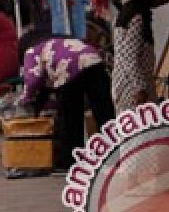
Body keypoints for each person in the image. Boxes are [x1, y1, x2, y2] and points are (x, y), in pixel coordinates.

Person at [20, 34, 115, 170]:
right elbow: (45, 87)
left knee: (70, 118)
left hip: (69, 69)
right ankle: (114, 153)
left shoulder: (30, 52)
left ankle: (71, 161)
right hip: (94, 61)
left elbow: (32, 80)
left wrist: (25, 98)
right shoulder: (56, 43)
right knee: (104, 112)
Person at [112, 0, 160, 113]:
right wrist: (140, 88)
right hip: (132, 89)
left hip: (131, 85)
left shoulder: (128, 12)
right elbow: (129, 58)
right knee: (141, 131)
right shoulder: (136, 17)